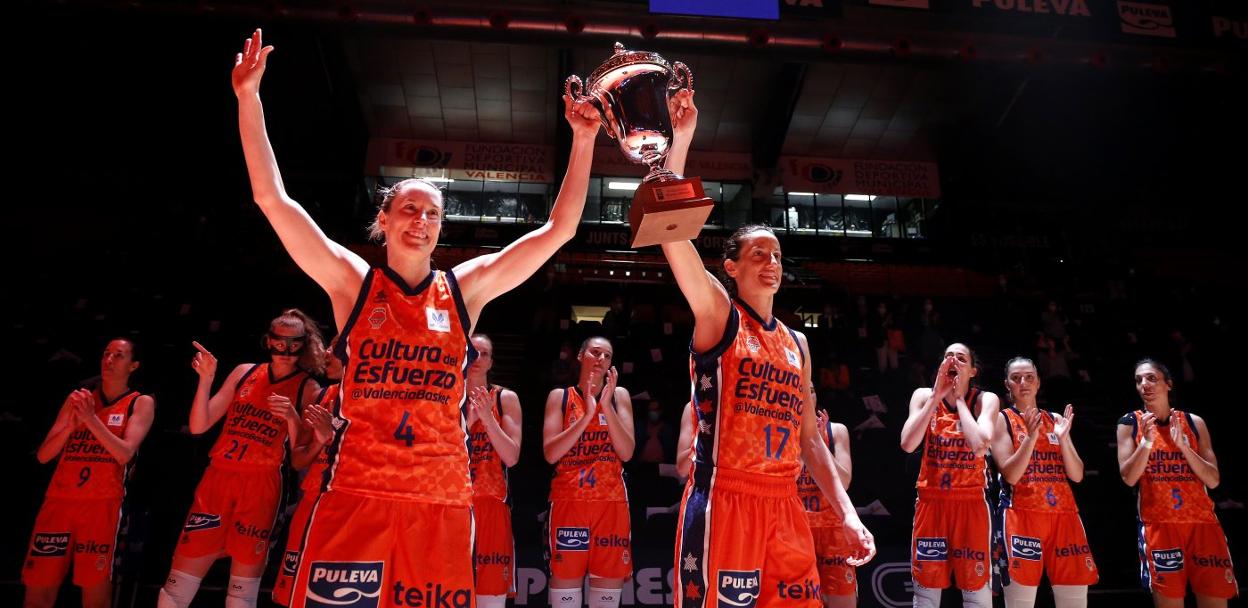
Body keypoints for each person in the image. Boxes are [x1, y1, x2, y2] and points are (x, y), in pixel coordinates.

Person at [227, 28, 600, 608]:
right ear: (385, 216)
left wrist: (582, 140)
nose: (420, 220)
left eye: (432, 213)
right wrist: (249, 99)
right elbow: (273, 200)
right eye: (408, 208)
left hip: (443, 497)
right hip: (356, 490)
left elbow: (560, 232)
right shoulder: (353, 283)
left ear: (440, 227)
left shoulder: (463, 290)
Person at [662, 89, 874, 608]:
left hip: (785, 503)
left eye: (777, 254)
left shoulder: (797, 342)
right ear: (731, 267)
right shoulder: (719, 314)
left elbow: (810, 440)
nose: (771, 262)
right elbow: (672, 233)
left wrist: (845, 512)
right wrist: (681, 142)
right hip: (725, 499)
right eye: (759, 253)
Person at [158, 310, 324, 608]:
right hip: (218, 478)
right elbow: (199, 425)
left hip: (261, 485)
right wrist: (206, 380)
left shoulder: (309, 388)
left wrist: (292, 417)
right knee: (175, 589)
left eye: (293, 344)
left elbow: (300, 458)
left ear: (304, 344)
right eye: (278, 343)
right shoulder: (244, 372)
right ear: (268, 341)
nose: (285, 351)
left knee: (241, 594)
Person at [24, 339, 156, 608]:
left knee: (94, 590)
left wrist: (90, 419)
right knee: (39, 587)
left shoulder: (140, 403)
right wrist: (69, 426)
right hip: (59, 503)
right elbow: (44, 455)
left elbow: (124, 454)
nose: (109, 360)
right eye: (106, 354)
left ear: (134, 365)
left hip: (101, 506)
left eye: (118, 356)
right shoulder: (79, 399)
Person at [1116, 359, 1237, 607]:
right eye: (1138, 380)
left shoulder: (1194, 422)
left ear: (1168, 384)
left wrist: (1184, 447)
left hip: (1203, 524)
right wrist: (1147, 443)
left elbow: (1213, 480)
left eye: (1151, 378)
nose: (1144, 384)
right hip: (1160, 526)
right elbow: (1129, 477)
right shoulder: (1129, 423)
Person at [899, 343, 1000, 607]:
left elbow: (980, 446)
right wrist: (936, 397)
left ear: (973, 371)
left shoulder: (984, 399)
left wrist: (958, 402)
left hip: (971, 502)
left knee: (976, 590)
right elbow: (908, 444)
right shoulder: (923, 395)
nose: (953, 360)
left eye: (961, 357)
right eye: (948, 356)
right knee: (926, 591)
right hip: (932, 501)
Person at [991, 358, 1096, 607]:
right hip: (1022, 516)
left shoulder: (1055, 419)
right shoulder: (1001, 419)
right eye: (1016, 378)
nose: (1023, 382)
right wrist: (1030, 437)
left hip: (1064, 515)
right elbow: (1011, 475)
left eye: (1029, 377)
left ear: (1038, 382)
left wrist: (1064, 439)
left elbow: (1077, 474)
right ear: (1008, 384)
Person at [542, 337, 634, 608]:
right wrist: (585, 419)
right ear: (581, 356)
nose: (601, 359)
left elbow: (627, 452)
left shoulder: (619, 396)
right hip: (569, 502)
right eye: (595, 352)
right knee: (565, 596)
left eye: (607, 356)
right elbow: (551, 453)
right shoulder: (560, 397)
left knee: (605, 601)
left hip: (611, 504)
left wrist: (605, 406)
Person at [272, 340, 343, 606]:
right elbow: (299, 460)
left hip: (347, 507)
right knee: (291, 592)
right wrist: (297, 422)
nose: (326, 354)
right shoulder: (323, 396)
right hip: (312, 501)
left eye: (334, 348)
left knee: (332, 594)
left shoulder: (374, 401)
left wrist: (333, 438)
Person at [466, 334, 522, 608]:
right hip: (454, 505)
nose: (477, 358)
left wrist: (488, 419)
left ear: (491, 362)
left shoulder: (505, 398)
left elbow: (511, 457)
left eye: (484, 353)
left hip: (493, 504)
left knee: (491, 596)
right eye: (472, 352)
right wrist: (468, 422)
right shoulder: (446, 398)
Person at [796, 409, 857, 607]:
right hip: (798, 530)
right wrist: (805, 445)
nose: (809, 393)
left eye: (812, 390)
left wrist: (819, 442)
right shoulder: (782, 430)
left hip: (834, 531)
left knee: (842, 601)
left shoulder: (837, 431)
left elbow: (845, 481)